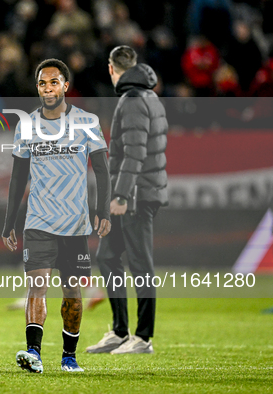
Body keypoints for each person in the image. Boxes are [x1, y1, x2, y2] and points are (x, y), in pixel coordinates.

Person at [2, 59, 112, 373]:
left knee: (73, 294)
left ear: (65, 86)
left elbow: (102, 171)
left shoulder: (87, 121)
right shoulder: (27, 125)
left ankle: (69, 357)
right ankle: (33, 352)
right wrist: (10, 222)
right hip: (37, 221)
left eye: (53, 82)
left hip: (75, 223)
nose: (47, 88)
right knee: (37, 286)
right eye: (42, 83)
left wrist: (102, 211)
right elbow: (17, 177)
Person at [86, 45, 168, 355]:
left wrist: (121, 194)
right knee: (108, 256)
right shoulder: (148, 95)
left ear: (111, 68)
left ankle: (143, 337)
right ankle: (120, 332)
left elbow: (135, 152)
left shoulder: (132, 100)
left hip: (135, 195)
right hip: (139, 190)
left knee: (139, 263)